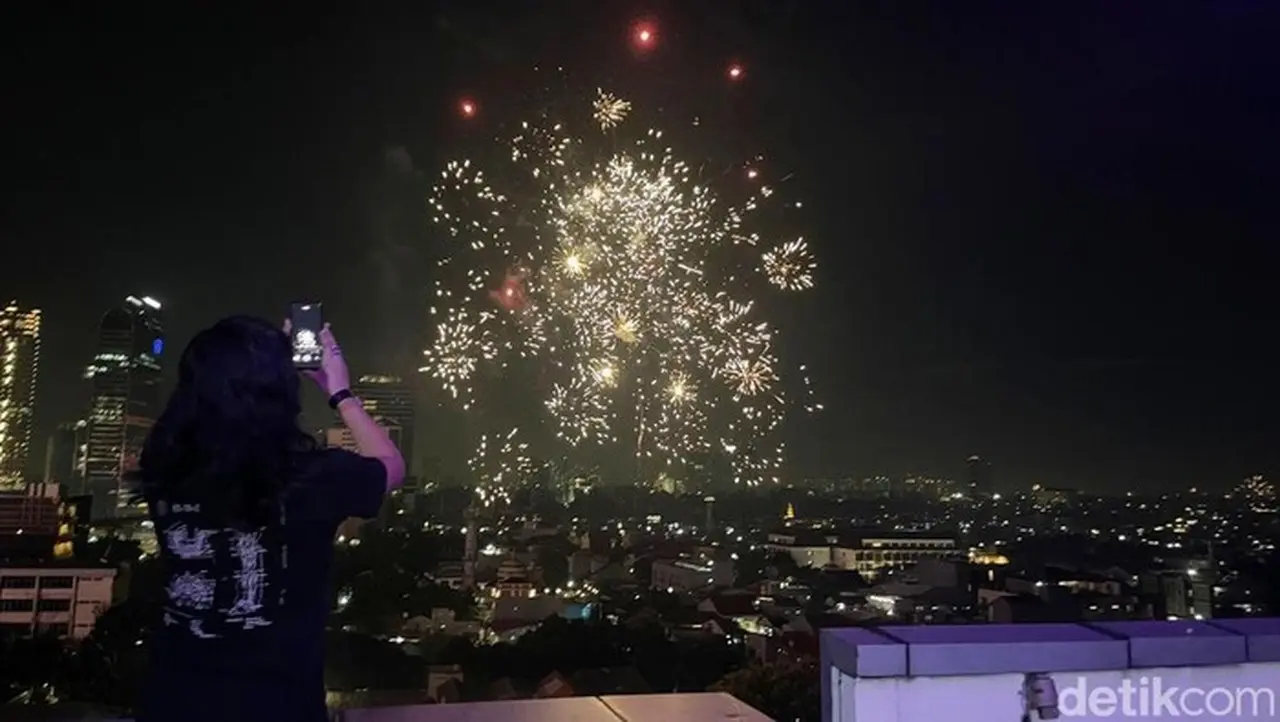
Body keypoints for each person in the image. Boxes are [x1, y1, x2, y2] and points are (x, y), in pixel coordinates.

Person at [131, 316, 405, 722]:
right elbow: (392, 466)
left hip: (172, 700)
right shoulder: (310, 478)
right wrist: (339, 391)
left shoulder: (164, 469)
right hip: (275, 703)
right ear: (280, 391)